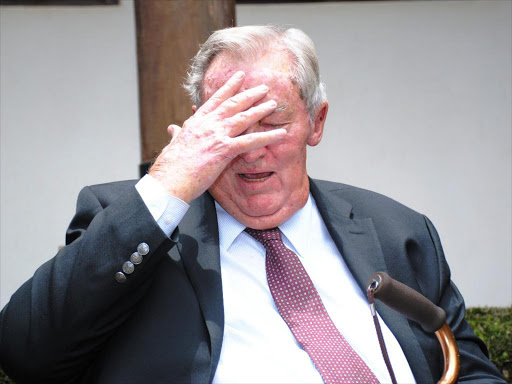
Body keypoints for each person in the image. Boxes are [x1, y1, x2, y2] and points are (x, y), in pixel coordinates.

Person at [0, 25, 505, 384]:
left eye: (270, 122)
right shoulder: (133, 221)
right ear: (197, 125)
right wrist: (165, 185)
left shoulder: (398, 230)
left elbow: (470, 369)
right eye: (229, 125)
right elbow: (27, 354)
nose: (251, 148)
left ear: (317, 122)